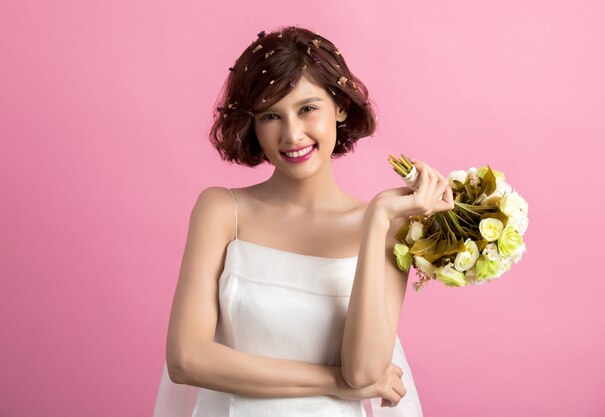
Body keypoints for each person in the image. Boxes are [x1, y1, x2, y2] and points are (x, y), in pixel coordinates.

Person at [152, 25, 454, 417]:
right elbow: (186, 360)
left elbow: (363, 370)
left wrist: (378, 217)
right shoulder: (221, 211)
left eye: (307, 108)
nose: (292, 134)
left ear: (340, 107)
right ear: (254, 125)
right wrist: (334, 383)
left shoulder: (388, 228)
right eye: (271, 115)